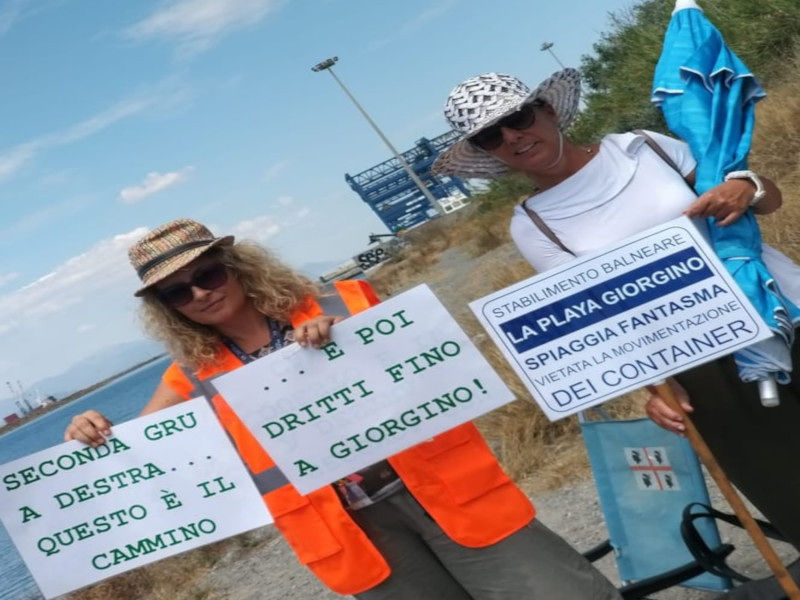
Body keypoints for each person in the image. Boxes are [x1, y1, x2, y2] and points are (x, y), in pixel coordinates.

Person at [64, 218, 622, 600]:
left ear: (234, 265)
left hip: (445, 490)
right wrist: (89, 430)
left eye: (207, 274)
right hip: (356, 532)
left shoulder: (347, 302)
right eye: (177, 292)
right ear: (166, 309)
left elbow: (434, 363)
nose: (200, 294)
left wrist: (355, 340)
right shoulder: (187, 376)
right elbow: (143, 452)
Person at [433, 69, 800, 552]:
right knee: (788, 488)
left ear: (545, 110)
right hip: (703, 369)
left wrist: (745, 187)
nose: (511, 137)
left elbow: (766, 199)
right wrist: (656, 388)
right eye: (489, 136)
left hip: (783, 310)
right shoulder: (534, 225)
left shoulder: (644, 147)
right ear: (486, 152)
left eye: (517, 117)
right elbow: (602, 322)